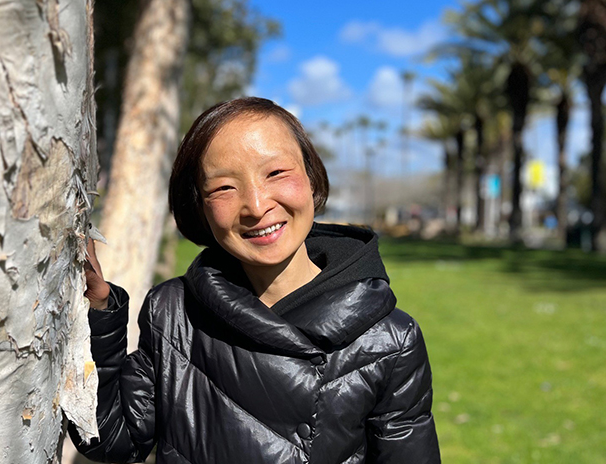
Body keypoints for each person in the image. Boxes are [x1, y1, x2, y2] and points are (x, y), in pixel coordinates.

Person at [70, 97, 440, 463]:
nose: (257, 206)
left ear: (312, 179)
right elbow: (112, 439)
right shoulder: (173, 311)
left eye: (277, 173)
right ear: (200, 206)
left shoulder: (390, 339)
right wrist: (100, 312)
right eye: (223, 188)